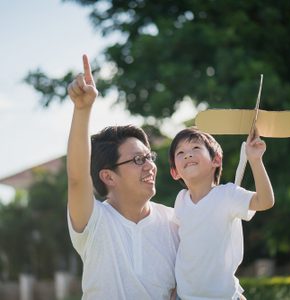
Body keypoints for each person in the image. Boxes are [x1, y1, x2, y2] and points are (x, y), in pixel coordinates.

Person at [66, 54, 179, 300]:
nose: (150, 166)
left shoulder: (176, 222)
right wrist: (82, 109)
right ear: (108, 176)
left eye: (150, 157)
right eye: (138, 160)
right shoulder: (94, 222)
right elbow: (76, 177)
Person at [169, 127, 275, 300]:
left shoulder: (228, 195)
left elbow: (265, 201)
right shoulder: (180, 199)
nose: (187, 154)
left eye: (196, 148)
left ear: (216, 160)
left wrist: (255, 160)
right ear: (174, 172)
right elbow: (182, 250)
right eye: (180, 152)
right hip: (185, 296)